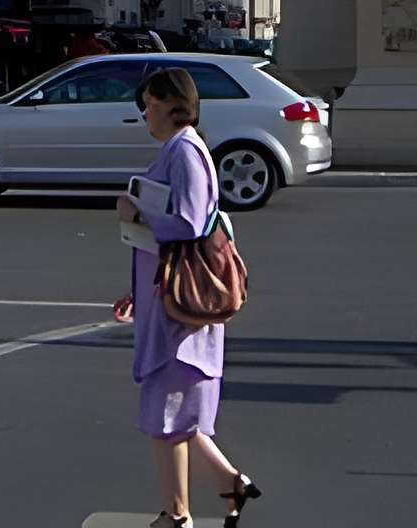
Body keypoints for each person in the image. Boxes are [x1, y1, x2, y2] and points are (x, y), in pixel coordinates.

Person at [113, 66, 260, 528]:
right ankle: (230, 484)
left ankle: (176, 516)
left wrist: (136, 214)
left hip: (181, 311)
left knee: (168, 413)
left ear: (166, 104)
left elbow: (191, 223)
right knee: (180, 411)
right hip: (172, 298)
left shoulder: (185, 152)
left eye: (148, 107)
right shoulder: (182, 149)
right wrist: (137, 291)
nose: (145, 117)